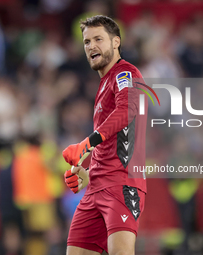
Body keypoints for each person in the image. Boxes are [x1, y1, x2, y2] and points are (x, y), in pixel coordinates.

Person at [62, 15, 148, 255]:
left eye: (99, 39)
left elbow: (127, 110)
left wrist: (86, 144)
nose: (91, 46)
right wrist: (86, 173)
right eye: (87, 42)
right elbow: (113, 143)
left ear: (116, 42)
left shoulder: (125, 73)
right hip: (95, 189)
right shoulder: (104, 84)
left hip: (122, 185)